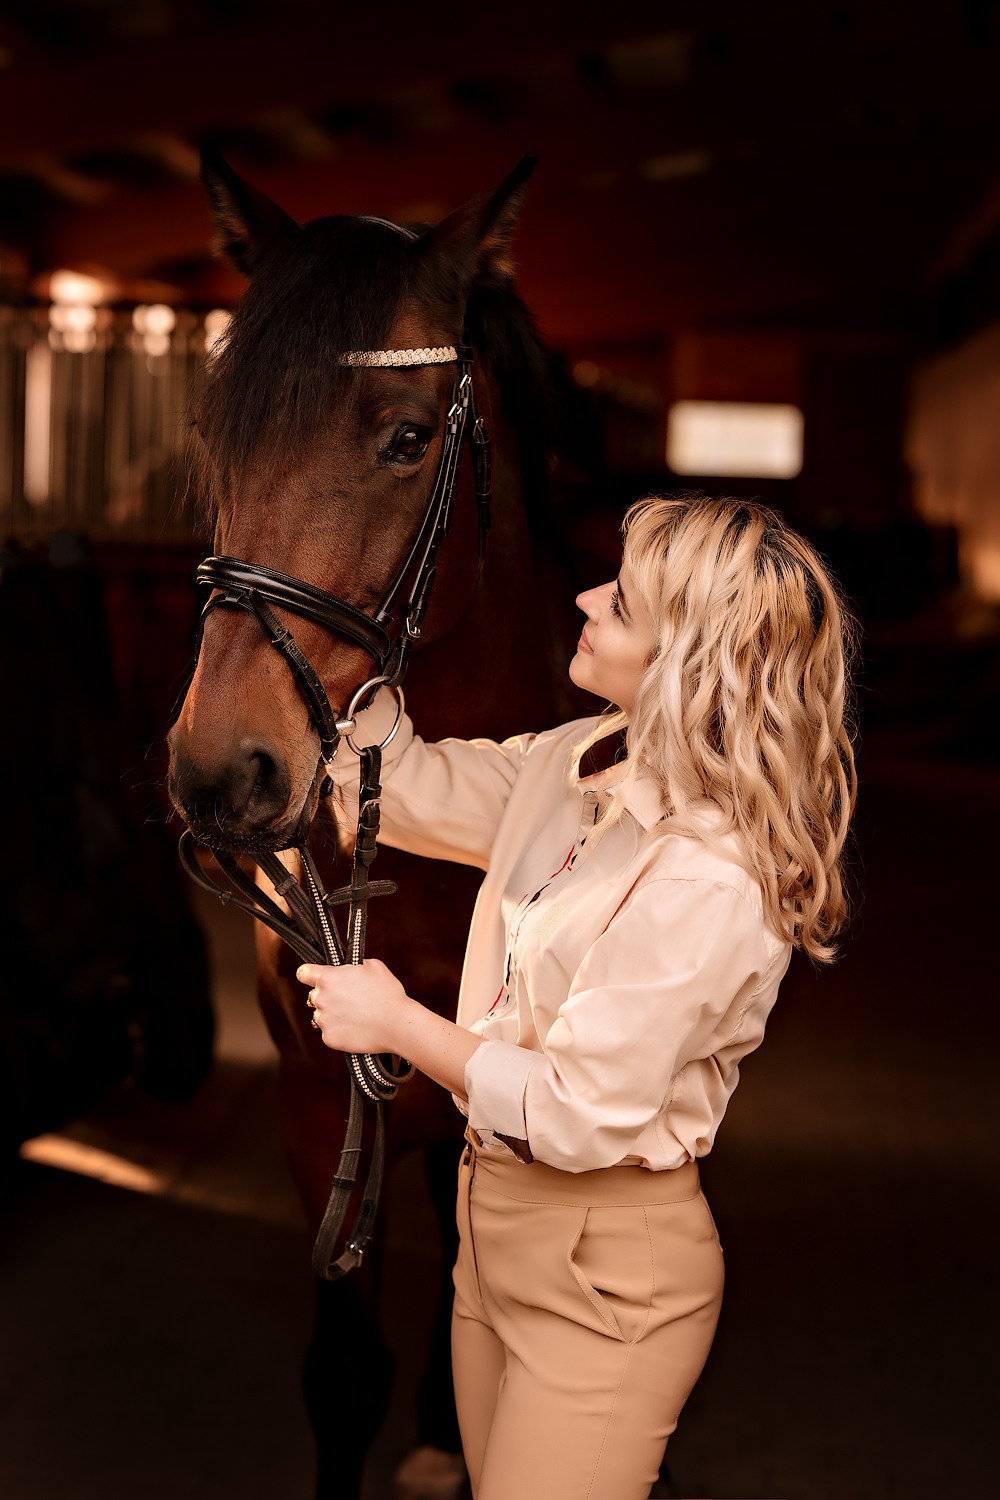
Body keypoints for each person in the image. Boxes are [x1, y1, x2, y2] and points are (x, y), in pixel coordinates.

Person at [297, 494, 857, 1500]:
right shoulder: (579, 757)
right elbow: (410, 787)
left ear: (686, 658)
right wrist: (344, 635)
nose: (587, 596)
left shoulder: (705, 876)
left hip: (607, 1276)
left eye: (625, 601)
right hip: (491, 1233)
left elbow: (573, 1109)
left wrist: (396, 1025)